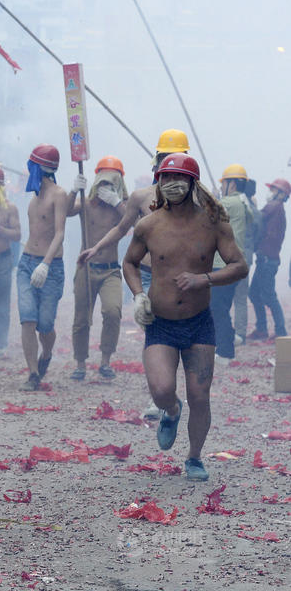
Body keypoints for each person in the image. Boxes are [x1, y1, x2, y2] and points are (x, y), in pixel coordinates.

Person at [123, 153, 247, 482]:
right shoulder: (148, 225)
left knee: (200, 395)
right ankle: (172, 410)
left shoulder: (212, 222)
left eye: (179, 178)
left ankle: (194, 457)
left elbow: (239, 265)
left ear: (193, 183)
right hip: (161, 324)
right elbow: (130, 263)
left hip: (198, 323)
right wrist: (138, 295)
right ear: (158, 182)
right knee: (162, 389)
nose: (172, 184)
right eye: (166, 178)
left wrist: (204, 278)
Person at [79, 128, 193, 417]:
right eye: (165, 160)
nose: (170, 167)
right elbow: (121, 228)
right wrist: (96, 248)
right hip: (145, 275)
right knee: (156, 337)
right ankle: (161, 397)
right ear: (156, 164)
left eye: (176, 159)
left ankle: (168, 395)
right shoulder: (142, 197)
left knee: (175, 336)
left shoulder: (194, 201)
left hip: (178, 278)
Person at [67, 156, 127, 380]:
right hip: (87, 267)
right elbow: (65, 211)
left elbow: (135, 222)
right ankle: (80, 363)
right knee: (82, 318)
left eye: (110, 184)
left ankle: (105, 361)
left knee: (112, 311)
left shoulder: (121, 206)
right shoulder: (85, 202)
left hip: (111, 269)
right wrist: (74, 190)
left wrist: (117, 202)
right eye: (102, 183)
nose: (105, 188)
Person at [17, 144, 68, 391]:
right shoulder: (34, 195)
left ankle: (46, 354)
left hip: (51, 267)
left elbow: (60, 233)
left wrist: (46, 265)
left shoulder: (59, 194)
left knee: (45, 324)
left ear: (39, 168)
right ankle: (33, 373)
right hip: (26, 263)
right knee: (27, 318)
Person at [210, 165, 257, 359]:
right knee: (222, 306)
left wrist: (213, 198)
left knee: (218, 308)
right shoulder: (243, 203)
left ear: (232, 184)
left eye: (224, 184)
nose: (222, 187)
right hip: (236, 263)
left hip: (222, 263)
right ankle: (226, 344)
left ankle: (225, 352)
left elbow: (206, 215)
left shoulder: (229, 202)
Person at [0, 165, 21, 352]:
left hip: (2, 260)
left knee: (2, 303)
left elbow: (17, 235)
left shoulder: (9, 208)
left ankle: (1, 342)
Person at [249, 177, 288, 340]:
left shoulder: (274, 207)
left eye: (273, 189)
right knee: (255, 293)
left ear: (280, 194)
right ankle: (263, 328)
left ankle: (280, 331)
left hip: (266, 260)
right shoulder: (279, 209)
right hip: (267, 259)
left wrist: (250, 204)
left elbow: (255, 217)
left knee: (267, 295)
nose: (270, 192)